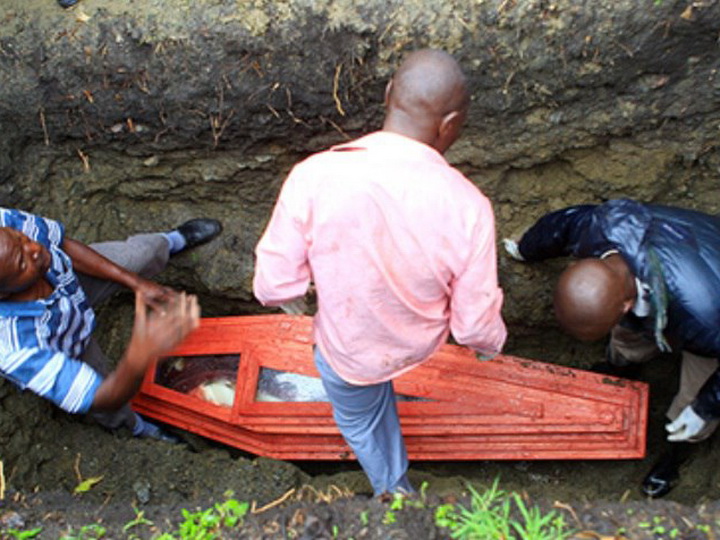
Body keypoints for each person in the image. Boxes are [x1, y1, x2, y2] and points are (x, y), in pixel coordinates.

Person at [253, 49, 507, 497]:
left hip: (348, 352)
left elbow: (273, 283)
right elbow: (472, 325)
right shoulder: (470, 207)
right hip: (420, 346)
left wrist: (294, 298)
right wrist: (487, 347)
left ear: (389, 94)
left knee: (362, 419)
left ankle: (395, 490)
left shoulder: (313, 175)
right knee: (379, 384)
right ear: (450, 124)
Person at [503, 197, 720, 497]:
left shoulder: (704, 318)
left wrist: (705, 408)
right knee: (626, 338)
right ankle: (623, 371)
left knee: (692, 404)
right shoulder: (600, 229)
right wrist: (526, 248)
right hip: (672, 271)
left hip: (709, 302)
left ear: (626, 304)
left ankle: (675, 455)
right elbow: (560, 227)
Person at [0, 207, 222, 440]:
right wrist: (140, 354)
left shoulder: (7, 228)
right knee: (111, 405)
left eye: (22, 238)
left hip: (70, 279)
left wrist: (135, 282)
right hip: (70, 345)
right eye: (22, 263)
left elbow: (60, 244)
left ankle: (173, 241)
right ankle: (139, 428)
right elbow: (99, 398)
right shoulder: (13, 345)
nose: (35, 249)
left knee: (139, 254)